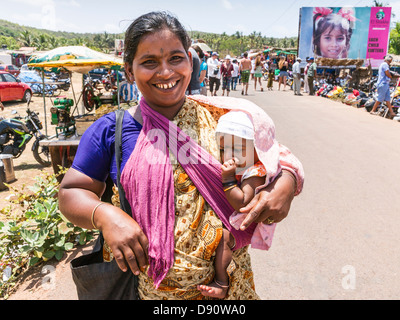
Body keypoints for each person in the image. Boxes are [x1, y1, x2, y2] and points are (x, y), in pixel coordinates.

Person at [58, 11, 304, 300]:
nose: (165, 72)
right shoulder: (112, 130)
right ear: (128, 70)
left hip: (228, 291)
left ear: (189, 59)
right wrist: (105, 215)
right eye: (149, 62)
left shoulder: (224, 119)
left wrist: (286, 184)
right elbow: (72, 192)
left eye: (175, 58)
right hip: (147, 293)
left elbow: (274, 159)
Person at [197, 110, 280, 298]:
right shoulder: (240, 166)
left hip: (243, 223)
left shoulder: (255, 172)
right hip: (233, 217)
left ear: (256, 150)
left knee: (224, 238)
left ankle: (221, 282)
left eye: (238, 149)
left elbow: (241, 203)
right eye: (224, 149)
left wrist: (227, 179)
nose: (229, 155)